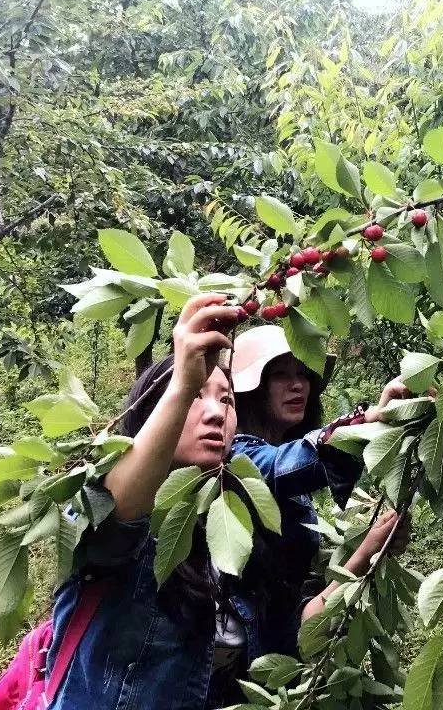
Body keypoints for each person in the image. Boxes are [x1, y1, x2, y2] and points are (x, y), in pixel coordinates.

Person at [42, 294, 409, 710]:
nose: (215, 412)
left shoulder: (232, 530)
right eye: (197, 395)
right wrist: (182, 379)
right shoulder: (109, 508)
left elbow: (286, 641)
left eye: (226, 398)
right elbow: (117, 510)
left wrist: (365, 555)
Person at [227, 323, 410, 655]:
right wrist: (372, 422)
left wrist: (367, 550)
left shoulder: (289, 479)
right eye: (280, 375)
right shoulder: (235, 459)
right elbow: (280, 466)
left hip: (275, 663)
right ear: (251, 390)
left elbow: (302, 613)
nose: (298, 385)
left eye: (303, 374)